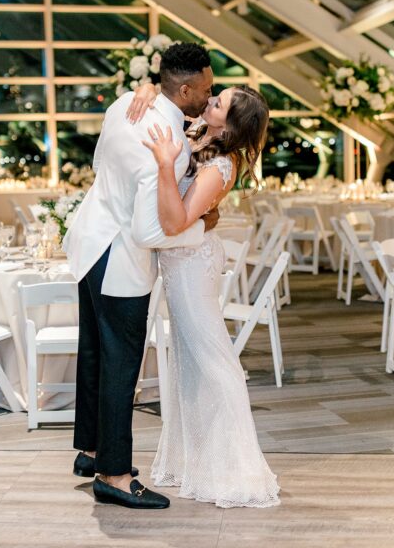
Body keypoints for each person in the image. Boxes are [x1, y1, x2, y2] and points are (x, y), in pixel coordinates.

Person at [62, 42, 219, 510]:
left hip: (89, 242)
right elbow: (150, 231)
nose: (210, 96)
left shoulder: (124, 105)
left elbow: (98, 165)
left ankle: (92, 452)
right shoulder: (167, 141)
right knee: (120, 364)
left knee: (95, 352)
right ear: (185, 90)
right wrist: (201, 225)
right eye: (207, 89)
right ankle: (114, 476)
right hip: (120, 259)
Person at [131, 81, 280, 508]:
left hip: (192, 267)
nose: (209, 99)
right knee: (190, 366)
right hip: (182, 263)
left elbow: (177, 221)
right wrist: (147, 88)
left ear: (229, 126)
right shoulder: (198, 133)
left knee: (215, 363)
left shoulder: (221, 165)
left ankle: (239, 472)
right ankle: (197, 463)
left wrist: (165, 165)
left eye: (218, 103)